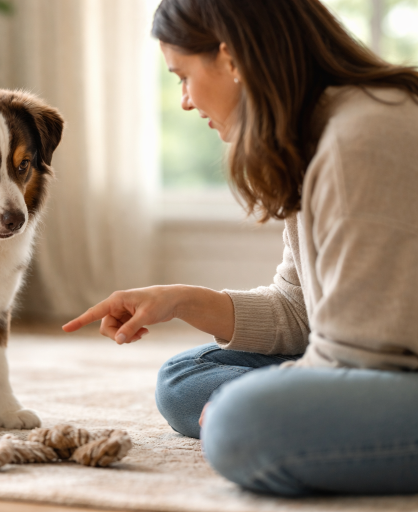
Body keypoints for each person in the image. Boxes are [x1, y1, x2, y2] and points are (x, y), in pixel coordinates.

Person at [63, 0, 418, 497]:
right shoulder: (314, 131)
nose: (185, 101)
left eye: (183, 76)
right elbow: (301, 312)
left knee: (241, 423)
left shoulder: (358, 139)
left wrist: (254, 401)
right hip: (382, 359)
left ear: (230, 59)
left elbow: (360, 357)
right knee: (184, 379)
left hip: (385, 364)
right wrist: (179, 300)